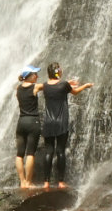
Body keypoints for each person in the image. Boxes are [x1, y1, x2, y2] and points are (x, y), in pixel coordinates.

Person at [36, 62, 92, 192]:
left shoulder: (45, 86)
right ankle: (61, 182)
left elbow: (56, 85)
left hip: (48, 122)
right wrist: (86, 85)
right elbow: (75, 92)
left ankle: (46, 183)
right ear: (58, 71)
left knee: (49, 151)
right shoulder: (64, 85)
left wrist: (68, 83)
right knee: (60, 151)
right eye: (60, 69)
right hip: (61, 122)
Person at [12, 66, 44, 191]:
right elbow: (50, 85)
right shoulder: (35, 87)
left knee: (19, 154)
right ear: (29, 76)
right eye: (35, 74)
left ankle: (22, 182)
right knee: (30, 153)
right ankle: (29, 182)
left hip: (21, 122)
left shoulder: (18, 88)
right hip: (32, 122)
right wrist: (68, 84)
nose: (37, 76)